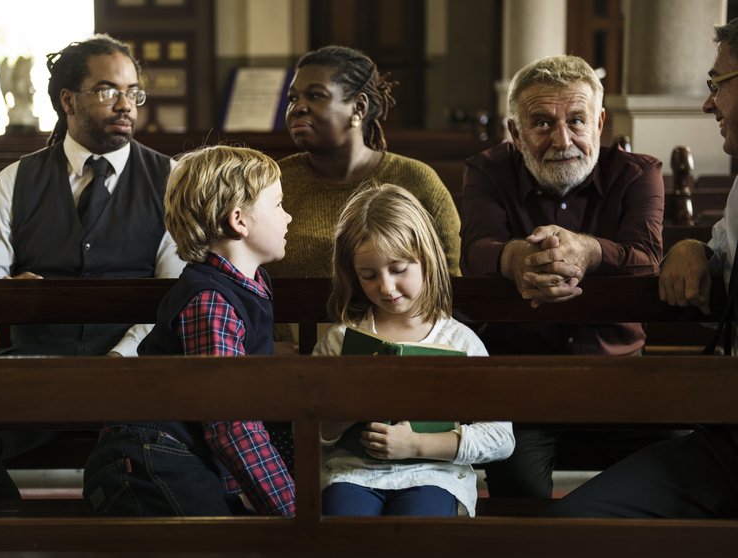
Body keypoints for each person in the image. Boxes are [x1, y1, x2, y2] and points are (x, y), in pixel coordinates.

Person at [0, 34, 184, 499]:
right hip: (37, 372)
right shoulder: (17, 180)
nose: (126, 104)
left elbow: (177, 294)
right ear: (68, 99)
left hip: (135, 375)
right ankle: (9, 531)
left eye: (133, 92)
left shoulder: (170, 181)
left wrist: (119, 359)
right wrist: (6, 290)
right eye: (109, 90)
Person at [545, 19, 738, 519]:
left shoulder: (637, 175)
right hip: (726, 443)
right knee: (570, 525)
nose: (707, 103)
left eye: (717, 84)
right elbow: (718, 258)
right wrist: (693, 247)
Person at [460, 54, 673, 499]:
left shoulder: (639, 174)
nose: (563, 140)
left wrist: (589, 250)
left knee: (664, 484)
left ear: (599, 123)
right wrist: (517, 258)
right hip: (520, 381)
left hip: (618, 378)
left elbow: (648, 259)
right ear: (514, 133)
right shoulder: (486, 171)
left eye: (576, 121)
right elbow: (476, 254)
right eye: (541, 123)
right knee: (519, 491)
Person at [83, 145, 296, 516]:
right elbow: (230, 423)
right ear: (239, 221)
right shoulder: (211, 301)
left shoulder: (247, 286)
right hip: (146, 458)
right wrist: (296, 511)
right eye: (278, 204)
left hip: (173, 456)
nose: (288, 216)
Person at [313, 183, 513, 517]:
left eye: (399, 269)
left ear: (425, 259)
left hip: (433, 475)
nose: (386, 287)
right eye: (369, 275)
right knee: (343, 524)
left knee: (419, 527)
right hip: (354, 474)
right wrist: (343, 413)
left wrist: (417, 444)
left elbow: (500, 437)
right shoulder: (341, 340)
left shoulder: (460, 342)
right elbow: (308, 430)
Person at [267, 45, 460, 279]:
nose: (297, 107)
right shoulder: (273, 183)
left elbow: (449, 280)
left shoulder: (416, 180)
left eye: (315, 95)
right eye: (292, 98)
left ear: (358, 108)